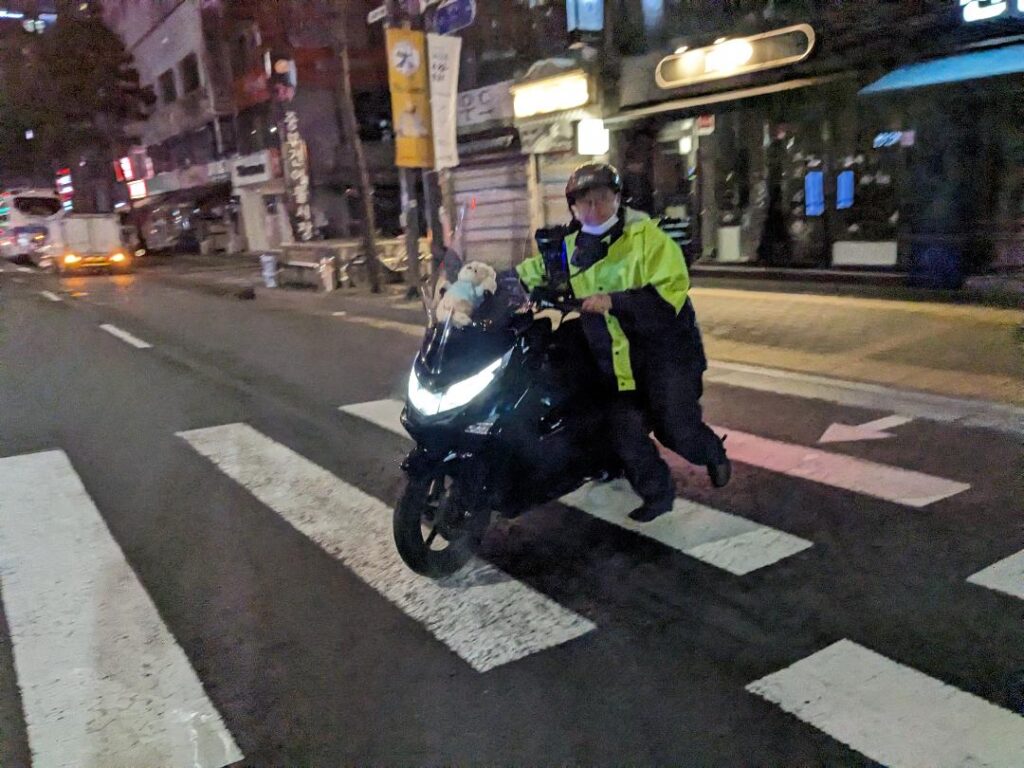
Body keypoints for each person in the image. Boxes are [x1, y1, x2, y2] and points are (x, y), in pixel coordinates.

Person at [516, 162, 730, 522]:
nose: (594, 209)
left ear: (618, 199)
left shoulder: (647, 239)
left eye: (602, 199)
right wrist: (477, 286)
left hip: (666, 354)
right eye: (584, 203)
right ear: (572, 208)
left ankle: (712, 454)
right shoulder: (567, 248)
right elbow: (529, 274)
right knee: (622, 428)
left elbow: (672, 294)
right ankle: (658, 494)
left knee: (676, 429)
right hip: (618, 360)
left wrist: (616, 300)